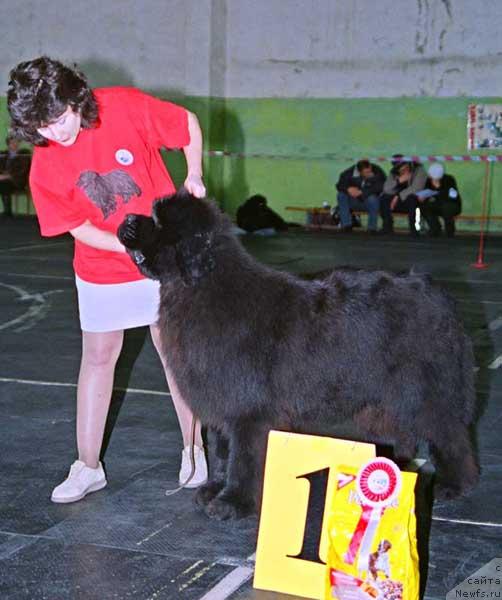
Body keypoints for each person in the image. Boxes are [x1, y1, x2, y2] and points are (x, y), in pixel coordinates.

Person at [7, 56, 208, 503]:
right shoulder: (45, 162)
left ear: (75, 98)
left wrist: (193, 173)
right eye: (41, 127)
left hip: (162, 259)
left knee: (174, 351)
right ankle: (88, 465)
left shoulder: (123, 107)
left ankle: (194, 449)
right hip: (101, 265)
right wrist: (127, 245)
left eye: (59, 119)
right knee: (98, 358)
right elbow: (76, 226)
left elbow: (187, 124)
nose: (54, 133)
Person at [380, 156, 427, 235]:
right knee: (384, 198)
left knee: (412, 199)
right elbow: (386, 189)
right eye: (400, 170)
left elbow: (416, 188)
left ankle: (414, 229)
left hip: (415, 200)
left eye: (404, 168)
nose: (403, 171)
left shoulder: (419, 170)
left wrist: (398, 196)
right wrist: (398, 181)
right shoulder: (393, 172)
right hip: (397, 202)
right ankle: (387, 227)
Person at [335, 159, 386, 232]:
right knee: (341, 195)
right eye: (366, 172)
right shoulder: (348, 173)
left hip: (369, 202)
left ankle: (372, 228)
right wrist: (348, 189)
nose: (369, 173)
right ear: (359, 172)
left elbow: (381, 187)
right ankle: (346, 225)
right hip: (353, 201)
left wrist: (362, 192)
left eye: (370, 170)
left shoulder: (377, 171)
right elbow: (339, 185)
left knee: (373, 199)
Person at [418, 162, 462, 237]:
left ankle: (449, 231)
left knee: (447, 207)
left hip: (451, 205)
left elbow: (452, 197)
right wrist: (422, 197)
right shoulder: (427, 181)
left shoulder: (449, 180)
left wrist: (437, 190)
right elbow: (423, 194)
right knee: (423, 207)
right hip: (435, 204)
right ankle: (435, 228)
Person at [0, 136, 31, 217]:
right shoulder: (3, 154)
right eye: (12, 142)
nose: (14, 144)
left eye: (16, 142)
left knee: (4, 183)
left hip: (18, 181)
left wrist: (8, 176)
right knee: (3, 183)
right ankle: (7, 212)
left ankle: (7, 212)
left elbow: (23, 170)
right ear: (8, 144)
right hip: (4, 180)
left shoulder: (24, 154)